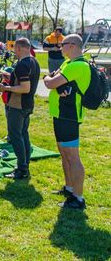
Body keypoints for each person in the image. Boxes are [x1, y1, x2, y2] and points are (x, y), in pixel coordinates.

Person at [43, 34, 90, 210]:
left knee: (73, 157)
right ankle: (69, 188)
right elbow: (52, 78)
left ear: (72, 46)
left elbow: (50, 82)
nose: (60, 47)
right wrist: (52, 80)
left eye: (62, 44)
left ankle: (78, 198)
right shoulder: (68, 63)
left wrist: (50, 80)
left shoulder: (78, 65)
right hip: (60, 115)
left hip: (69, 116)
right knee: (64, 153)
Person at [0, 38, 40, 179]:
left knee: (15, 136)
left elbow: (25, 88)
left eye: (15, 49)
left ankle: (22, 169)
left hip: (18, 104)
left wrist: (5, 88)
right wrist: (11, 76)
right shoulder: (34, 61)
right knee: (23, 134)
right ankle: (25, 164)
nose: (14, 52)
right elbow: (24, 81)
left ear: (19, 48)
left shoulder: (22, 65)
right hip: (27, 104)